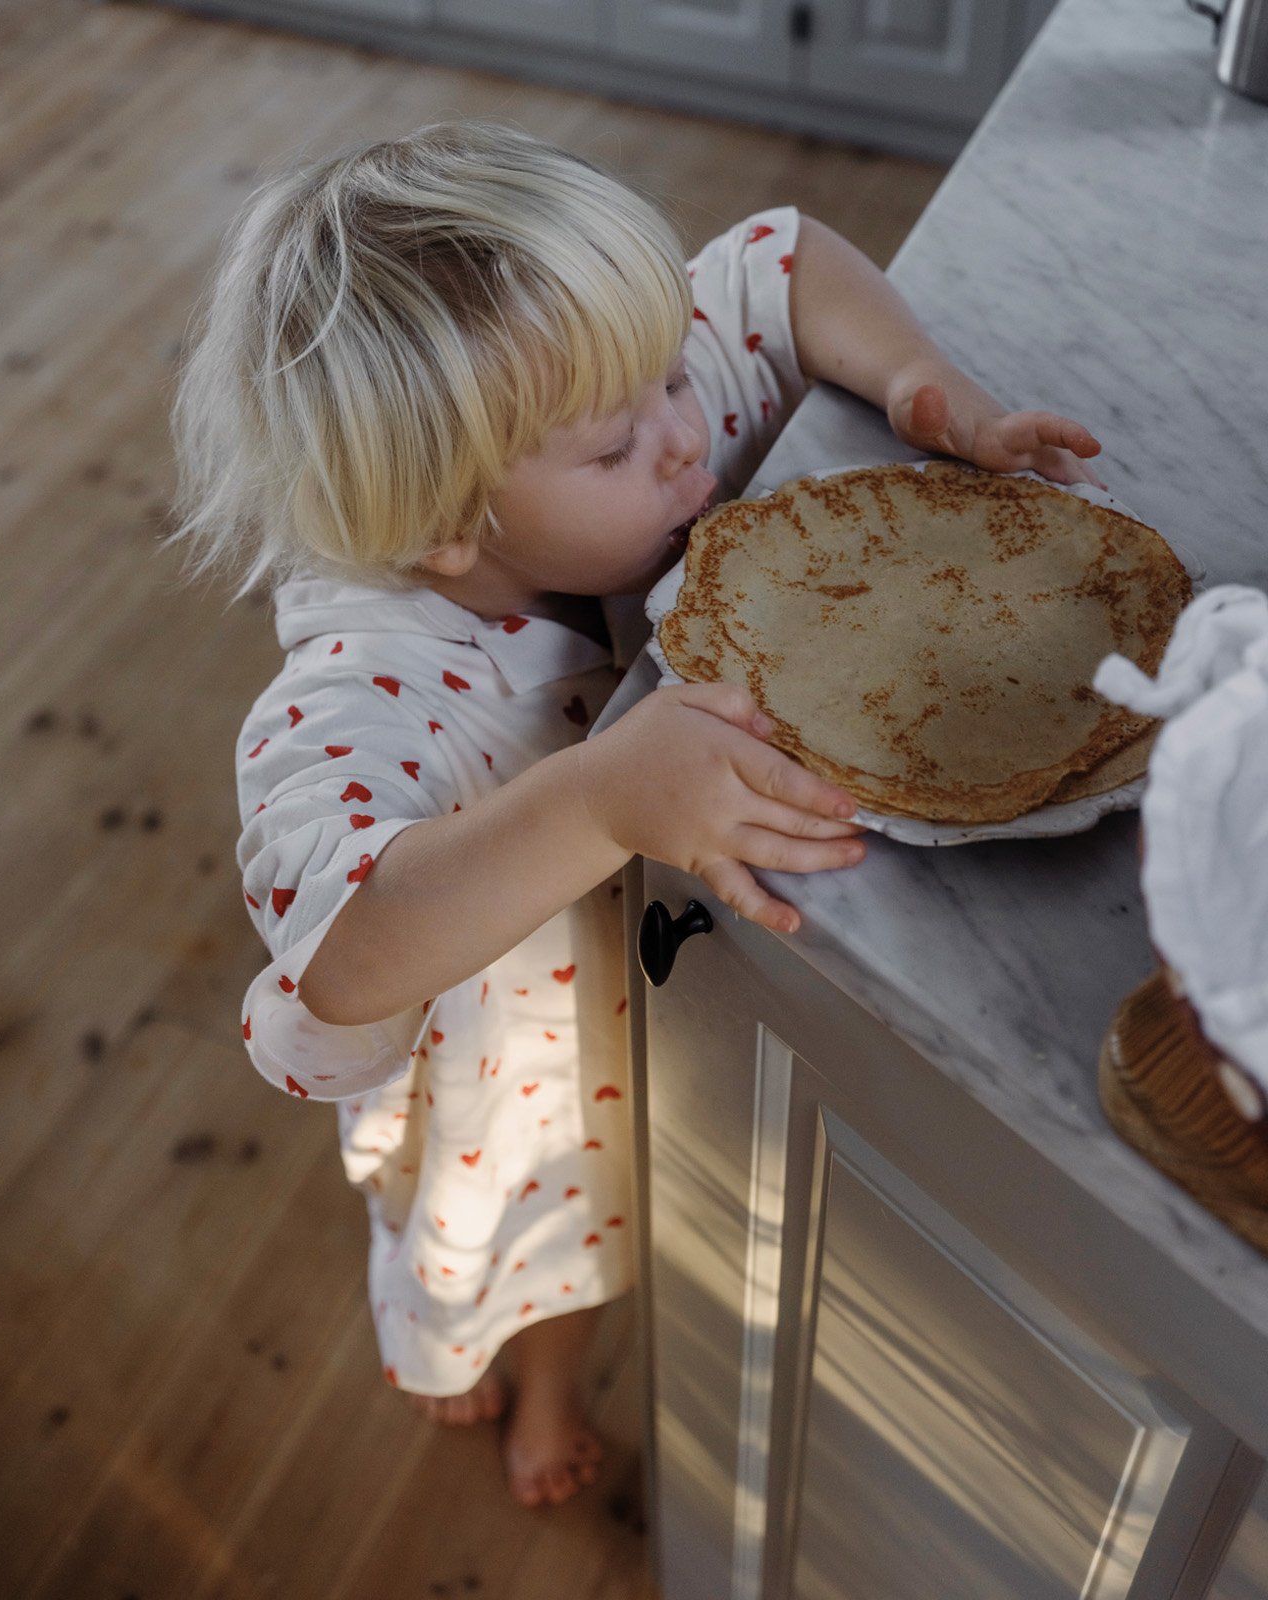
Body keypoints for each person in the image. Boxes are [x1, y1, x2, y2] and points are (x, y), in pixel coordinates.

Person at [169, 119, 1104, 1509]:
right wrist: (604, 792)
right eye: (620, 445)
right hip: (508, 1073)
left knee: (616, 1228)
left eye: (674, 375)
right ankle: (503, 1366)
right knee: (507, 1234)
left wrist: (930, 391)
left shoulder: (617, 416)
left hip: (653, 1006)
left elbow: (781, 264)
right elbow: (342, 950)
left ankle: (552, 1368)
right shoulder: (360, 690)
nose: (686, 442)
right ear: (445, 528)